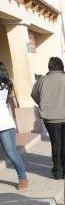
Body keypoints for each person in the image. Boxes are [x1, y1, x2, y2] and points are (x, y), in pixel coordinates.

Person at [31, 57, 65, 180]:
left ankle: (58, 172)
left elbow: (34, 95)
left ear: (49, 66)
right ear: (61, 66)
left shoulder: (41, 81)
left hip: (51, 118)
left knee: (56, 144)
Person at [0, 61, 28, 190]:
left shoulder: (3, 86)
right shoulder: (5, 85)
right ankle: (23, 179)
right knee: (12, 154)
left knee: (12, 154)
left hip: (5, 125)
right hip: (6, 123)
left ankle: (23, 179)